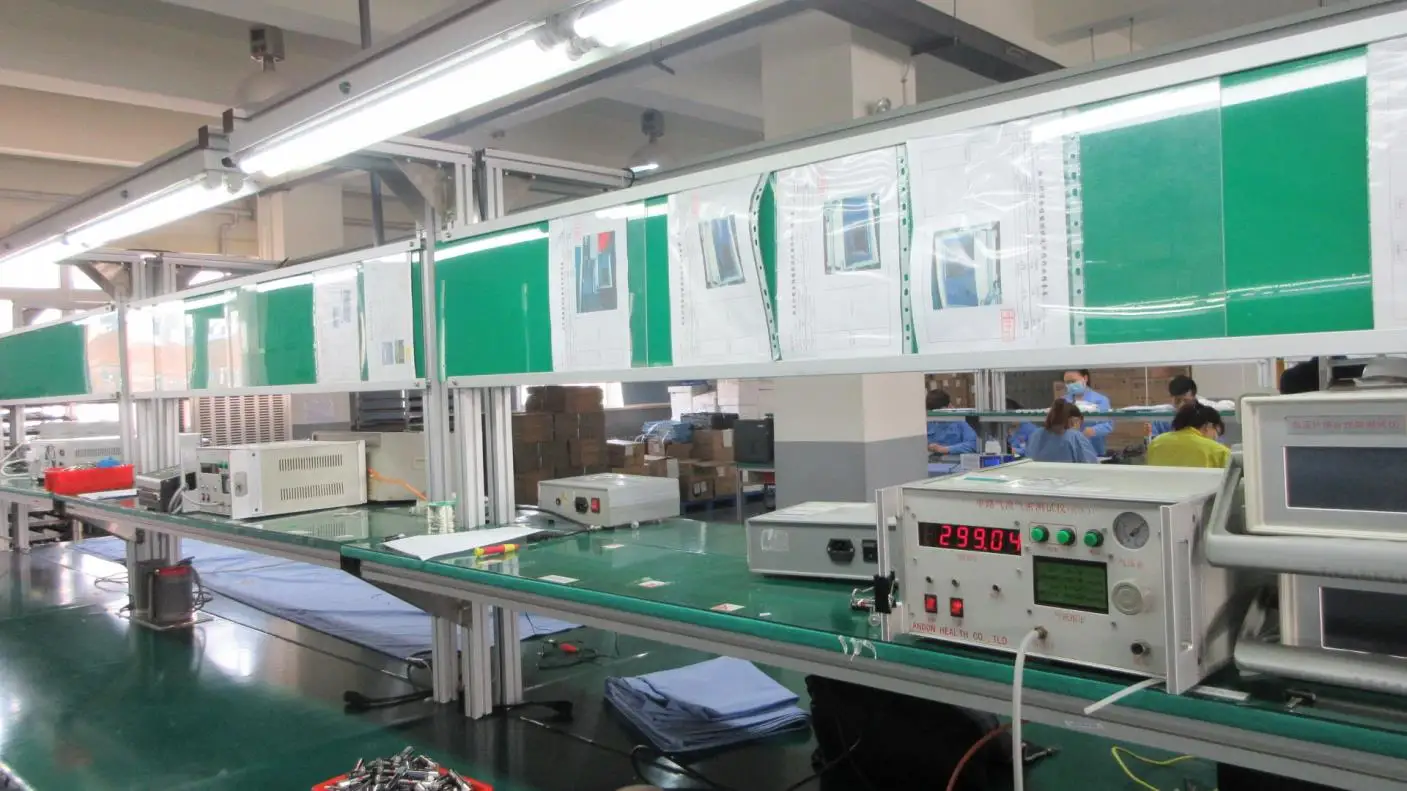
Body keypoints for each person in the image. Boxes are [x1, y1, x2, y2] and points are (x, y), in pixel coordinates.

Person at [1146, 403, 1230, 468]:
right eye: (1217, 433)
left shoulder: (1156, 443)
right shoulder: (1219, 452)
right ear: (1208, 426)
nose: (1216, 439)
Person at [1024, 400, 1099, 463]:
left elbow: (1029, 457)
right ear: (1074, 420)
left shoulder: (1036, 434)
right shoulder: (1075, 436)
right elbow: (1090, 463)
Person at [1061, 369, 1112, 455]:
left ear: (1085, 378)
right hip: (1068, 451)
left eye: (1073, 381)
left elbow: (1108, 425)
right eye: (1067, 382)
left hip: (1094, 450)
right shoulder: (1062, 401)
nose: (1070, 385)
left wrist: (1093, 430)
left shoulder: (1100, 400)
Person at [927, 389, 977, 455]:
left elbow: (972, 444)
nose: (936, 417)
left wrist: (945, 449)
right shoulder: (928, 423)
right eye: (932, 413)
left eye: (940, 412)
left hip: (954, 459)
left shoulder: (960, 421)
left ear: (949, 406)